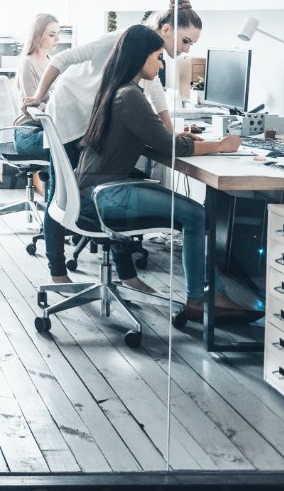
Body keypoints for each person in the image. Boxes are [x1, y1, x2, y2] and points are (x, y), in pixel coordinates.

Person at [76, 25, 258, 322]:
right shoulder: (130, 95)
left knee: (192, 214)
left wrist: (189, 140)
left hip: (92, 191)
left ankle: (208, 295)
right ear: (140, 59)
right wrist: (221, 145)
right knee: (195, 216)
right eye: (158, 58)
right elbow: (172, 148)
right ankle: (202, 300)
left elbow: (161, 139)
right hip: (105, 195)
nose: (161, 65)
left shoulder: (117, 90)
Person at [24, 0, 203, 288]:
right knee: (62, 193)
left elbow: (157, 96)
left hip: (94, 118)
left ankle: (127, 275)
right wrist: (38, 97)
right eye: (185, 41)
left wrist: (169, 136)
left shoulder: (148, 55)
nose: (185, 50)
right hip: (70, 115)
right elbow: (63, 58)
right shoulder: (124, 40)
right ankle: (57, 272)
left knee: (116, 181)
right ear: (167, 29)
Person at [11, 12, 61, 156]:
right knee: (64, 145)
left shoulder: (53, 62)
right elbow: (32, 108)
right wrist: (60, 111)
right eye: (52, 35)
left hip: (47, 127)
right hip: (28, 131)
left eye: (58, 33)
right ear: (38, 35)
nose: (57, 38)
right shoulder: (28, 63)